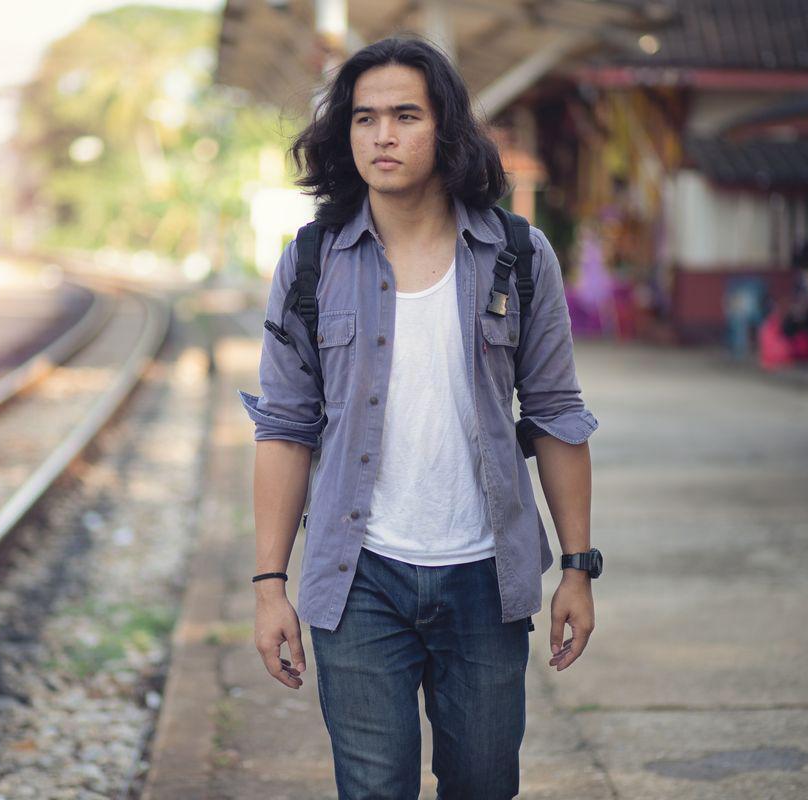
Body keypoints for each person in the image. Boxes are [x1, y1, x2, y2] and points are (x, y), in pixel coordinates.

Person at [238, 35, 600, 799]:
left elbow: (557, 412)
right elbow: (285, 429)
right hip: (358, 574)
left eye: (406, 115)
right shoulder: (310, 262)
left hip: (484, 575)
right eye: (365, 119)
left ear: (448, 130)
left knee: (484, 785)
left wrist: (577, 567)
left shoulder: (517, 255)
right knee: (373, 789)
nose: (383, 136)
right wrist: (271, 584)